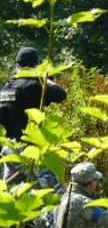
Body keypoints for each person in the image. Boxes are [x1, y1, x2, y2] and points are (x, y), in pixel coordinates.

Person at [0, 46, 66, 192]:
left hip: (9, 148)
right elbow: (61, 95)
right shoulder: (33, 86)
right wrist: (44, 79)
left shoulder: (6, 88)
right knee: (54, 193)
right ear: (35, 65)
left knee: (11, 194)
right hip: (28, 148)